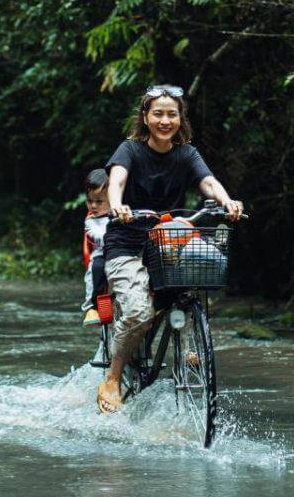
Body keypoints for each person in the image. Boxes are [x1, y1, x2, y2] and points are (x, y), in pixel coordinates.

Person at [97, 84, 243, 414]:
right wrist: (117, 205)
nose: (165, 121)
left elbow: (208, 181)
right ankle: (113, 377)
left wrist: (226, 200)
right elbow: (117, 180)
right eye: (158, 114)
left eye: (172, 114)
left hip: (166, 240)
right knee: (138, 312)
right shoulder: (130, 150)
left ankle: (187, 341)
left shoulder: (186, 154)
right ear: (146, 117)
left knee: (193, 279)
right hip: (127, 242)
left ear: (180, 119)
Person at [81, 168, 110, 328]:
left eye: (99, 202)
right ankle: (92, 307)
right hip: (102, 254)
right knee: (96, 268)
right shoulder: (91, 220)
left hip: (124, 252)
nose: (93, 205)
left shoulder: (122, 213)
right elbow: (97, 235)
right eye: (89, 201)